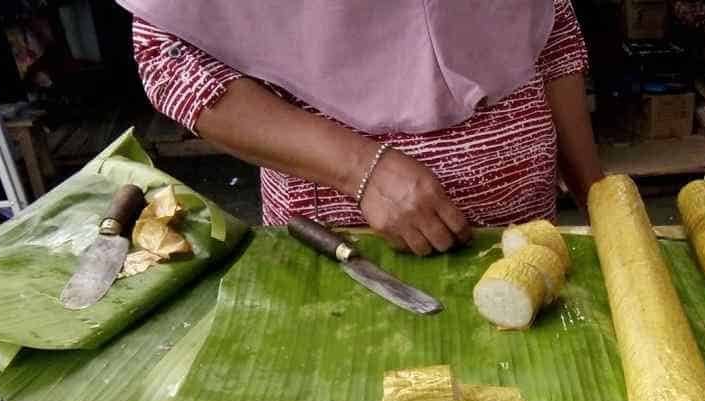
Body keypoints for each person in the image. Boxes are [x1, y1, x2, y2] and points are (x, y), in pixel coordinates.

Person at [123, 0, 604, 255]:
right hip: (347, 246)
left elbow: (551, 30)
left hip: (528, 233)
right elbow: (171, 60)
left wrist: (596, 198)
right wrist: (360, 170)